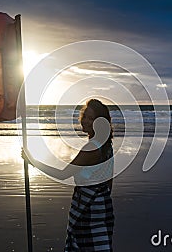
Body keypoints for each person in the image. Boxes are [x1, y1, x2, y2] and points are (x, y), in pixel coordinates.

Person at [22, 99, 115, 251]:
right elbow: (109, 182)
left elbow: (63, 174)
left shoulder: (91, 148)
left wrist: (33, 161)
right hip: (103, 205)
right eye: (85, 116)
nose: (85, 121)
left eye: (91, 118)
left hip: (88, 208)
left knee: (83, 245)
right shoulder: (106, 145)